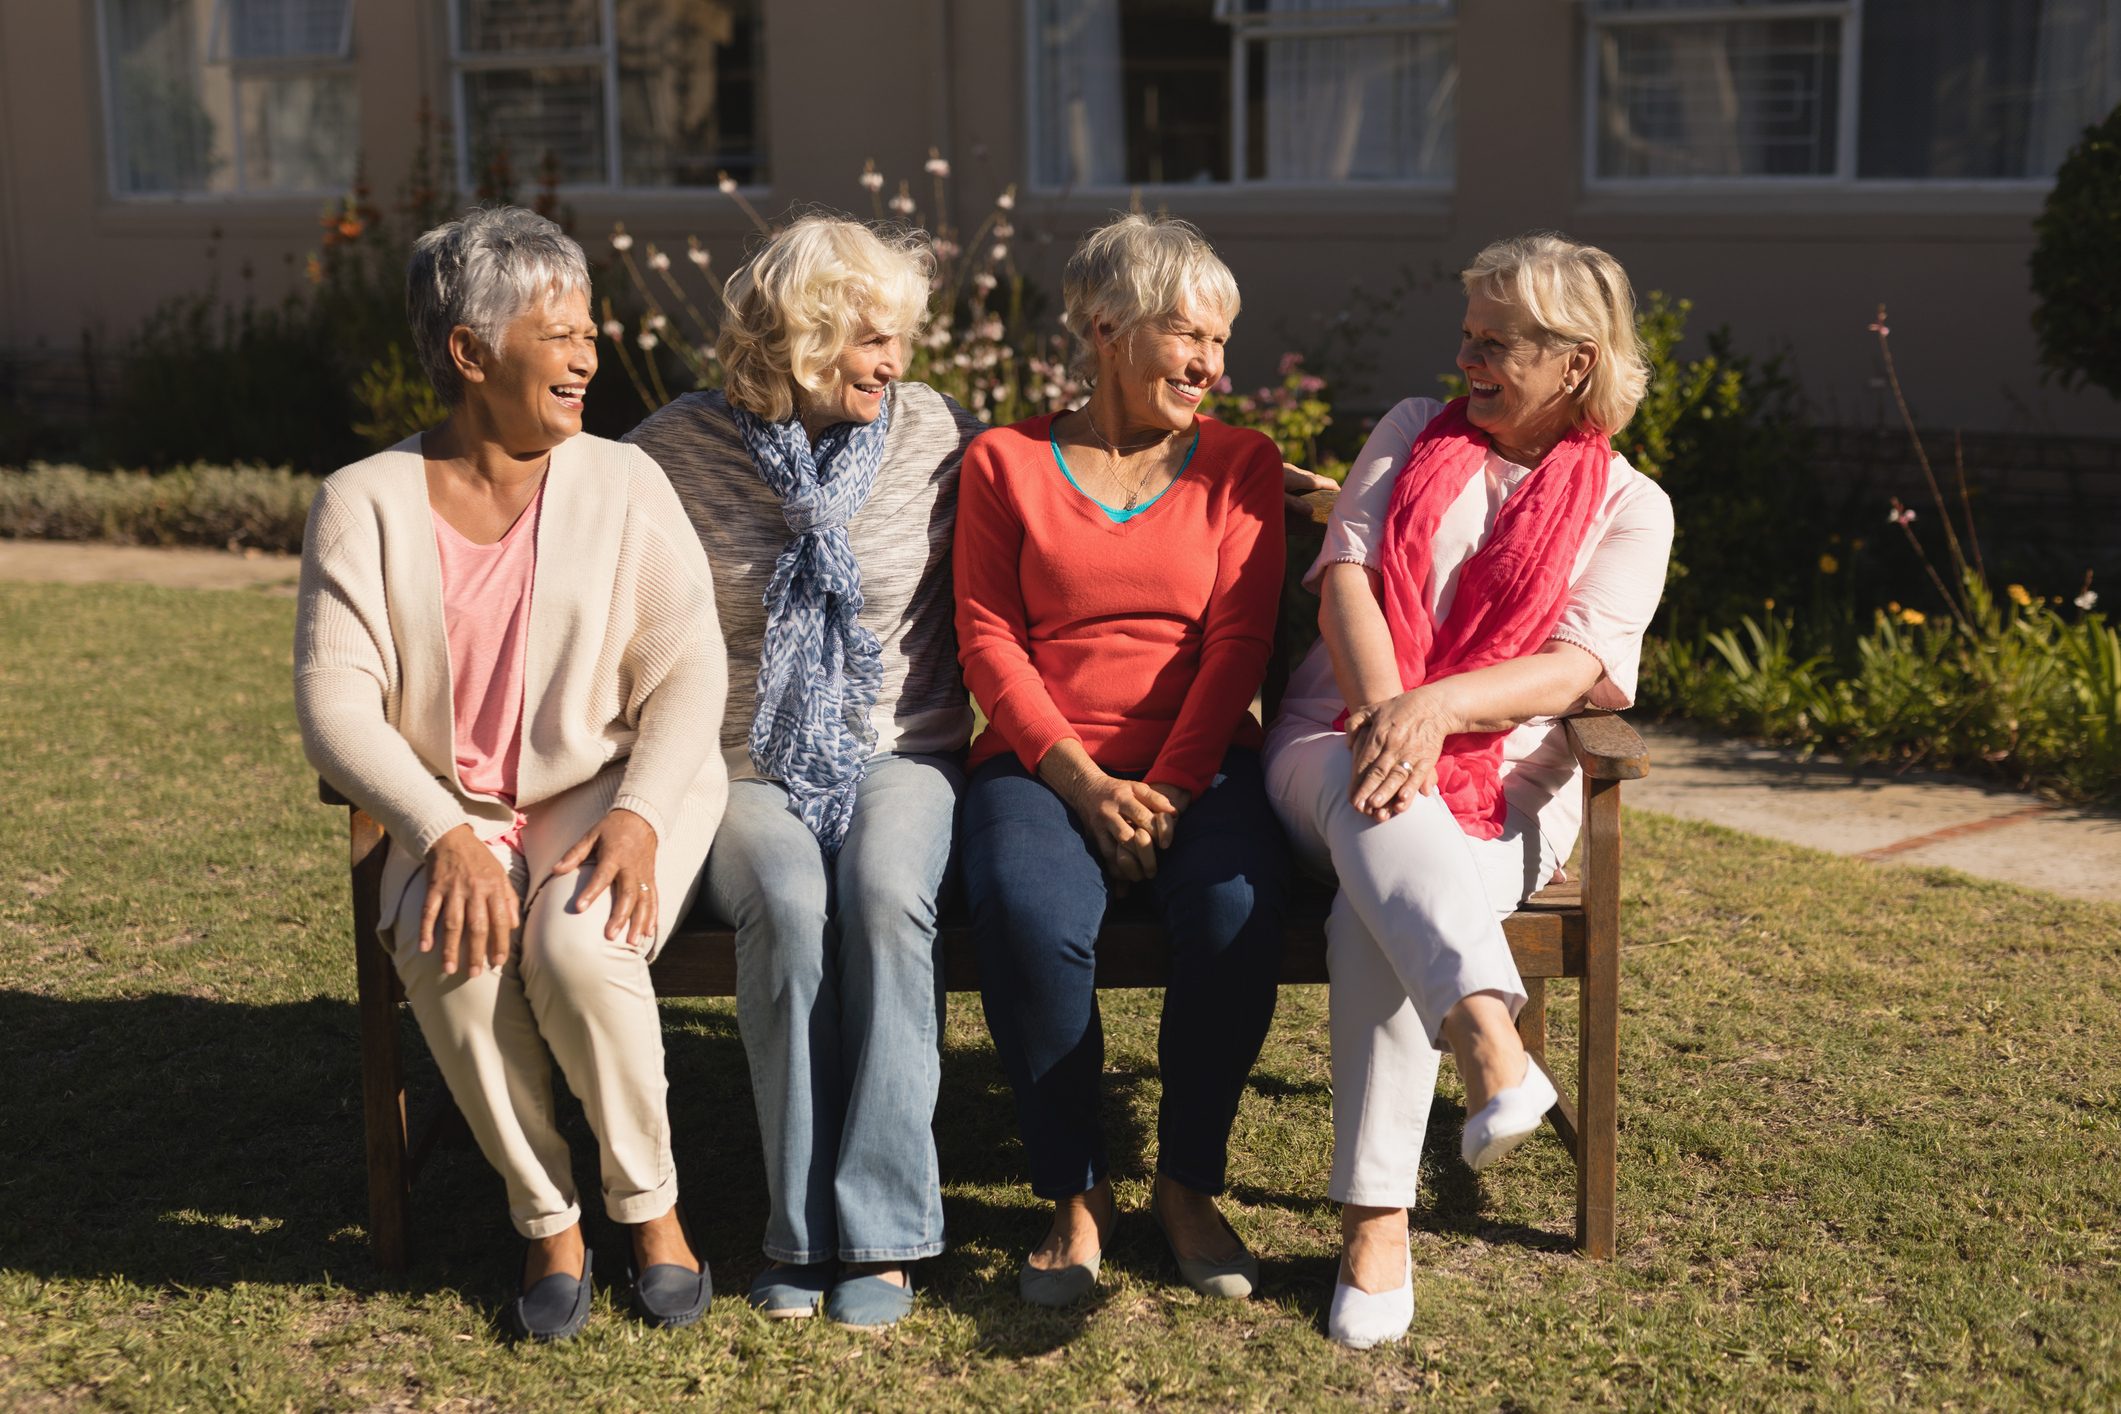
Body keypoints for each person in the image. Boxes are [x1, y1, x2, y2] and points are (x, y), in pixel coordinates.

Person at [293, 207, 727, 1341]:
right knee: (455, 947)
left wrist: (638, 818)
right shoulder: (359, 503)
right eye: (560, 332)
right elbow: (335, 704)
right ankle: (547, 1217)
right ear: (469, 352)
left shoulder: (622, 480)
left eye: (591, 330)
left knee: (579, 948)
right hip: (454, 806)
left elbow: (689, 670)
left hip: (611, 785)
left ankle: (652, 1205)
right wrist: (438, 833)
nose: (588, 354)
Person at [1263, 233, 1675, 1348]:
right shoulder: (1409, 429)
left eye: (1498, 344)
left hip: (1507, 781)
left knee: (1376, 896)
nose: (1469, 359)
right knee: (1384, 810)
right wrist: (1392, 708)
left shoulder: (1633, 506)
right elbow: (1347, 568)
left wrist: (1439, 713)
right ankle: (1492, 1043)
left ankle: (1375, 1220)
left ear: (1577, 362)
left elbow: (1579, 668)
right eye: (1468, 336)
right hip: (1329, 734)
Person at [624, 216, 986, 1330]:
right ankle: (795, 1227)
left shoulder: (931, 430)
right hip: (734, 761)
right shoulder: (669, 453)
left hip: (900, 743)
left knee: (881, 893)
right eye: (872, 338)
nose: (897, 361)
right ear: (802, 337)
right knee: (786, 901)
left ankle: (880, 1226)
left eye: (900, 337)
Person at [953, 213, 1289, 1307]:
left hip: (1200, 764)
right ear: (1106, 327)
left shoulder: (1243, 465)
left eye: (1223, 343)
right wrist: (1083, 782)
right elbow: (988, 638)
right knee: (1023, 908)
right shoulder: (1004, 461)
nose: (1212, 365)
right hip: (1043, 766)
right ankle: (1075, 1193)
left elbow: (1238, 642)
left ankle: (1187, 1185)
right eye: (1190, 334)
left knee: (1238, 909)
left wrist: (1173, 787)